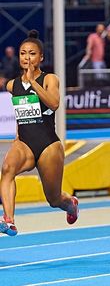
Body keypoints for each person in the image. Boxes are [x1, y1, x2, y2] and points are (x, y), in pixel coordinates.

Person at [0, 30, 79, 236]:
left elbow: (54, 104)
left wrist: (33, 82)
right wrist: (18, 134)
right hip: (25, 143)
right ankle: (9, 220)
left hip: (48, 146)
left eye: (32, 54)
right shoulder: (12, 85)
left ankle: (70, 203)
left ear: (41, 57)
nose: (27, 58)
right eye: (23, 53)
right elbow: (21, 110)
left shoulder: (49, 79)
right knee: (7, 168)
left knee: (53, 200)